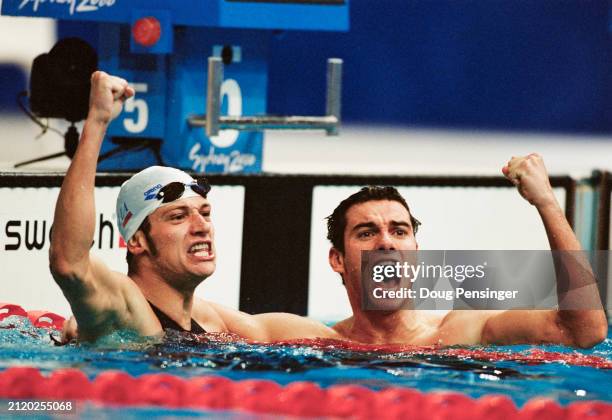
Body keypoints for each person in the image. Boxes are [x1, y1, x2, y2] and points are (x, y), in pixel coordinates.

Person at [51, 71, 337, 342]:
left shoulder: (207, 318)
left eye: (205, 213)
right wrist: (97, 121)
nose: (202, 227)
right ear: (137, 240)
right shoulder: (123, 306)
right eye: (178, 217)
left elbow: (271, 331)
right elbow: (69, 263)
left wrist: (370, 339)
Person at [326, 154, 608, 347]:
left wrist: (547, 203)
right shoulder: (307, 336)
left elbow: (582, 332)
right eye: (367, 232)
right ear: (337, 259)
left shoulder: (462, 331)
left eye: (399, 231)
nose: (387, 243)